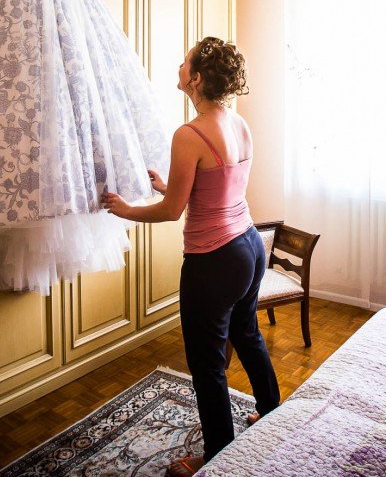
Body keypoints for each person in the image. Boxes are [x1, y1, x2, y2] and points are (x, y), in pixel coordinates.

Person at [101, 36, 280, 476]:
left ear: (196, 79)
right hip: (250, 246)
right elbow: (218, 186)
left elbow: (171, 211)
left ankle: (217, 454)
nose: (179, 67)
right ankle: (273, 413)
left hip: (214, 259)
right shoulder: (239, 124)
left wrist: (126, 209)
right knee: (248, 334)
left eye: (185, 63)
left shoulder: (189, 133)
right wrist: (169, 184)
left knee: (206, 362)